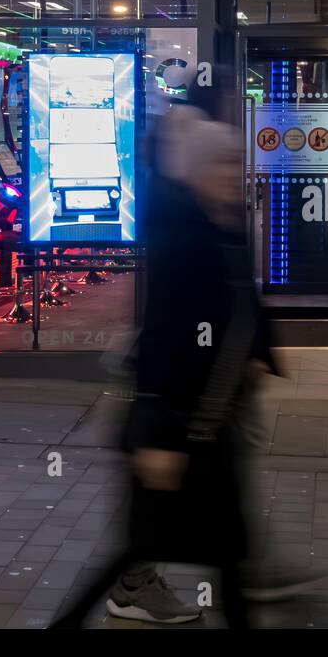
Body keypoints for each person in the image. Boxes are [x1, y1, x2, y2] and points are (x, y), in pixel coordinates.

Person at [51, 103, 275, 629]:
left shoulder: (219, 227)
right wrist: (157, 435)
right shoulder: (185, 238)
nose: (231, 175)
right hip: (182, 425)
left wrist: (257, 354)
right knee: (152, 545)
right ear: (196, 170)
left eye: (234, 164)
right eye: (220, 165)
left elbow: (242, 306)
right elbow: (164, 342)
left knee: (216, 550)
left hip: (209, 422)